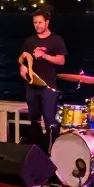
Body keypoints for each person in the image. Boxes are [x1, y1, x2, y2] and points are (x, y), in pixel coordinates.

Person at [19, 9, 66, 149]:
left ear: (47, 22)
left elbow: (61, 60)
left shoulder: (56, 40)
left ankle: (53, 149)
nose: (37, 25)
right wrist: (22, 67)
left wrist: (44, 55)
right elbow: (22, 58)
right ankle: (36, 149)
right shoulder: (30, 40)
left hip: (48, 86)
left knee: (50, 120)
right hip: (32, 86)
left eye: (40, 22)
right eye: (35, 23)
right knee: (34, 120)